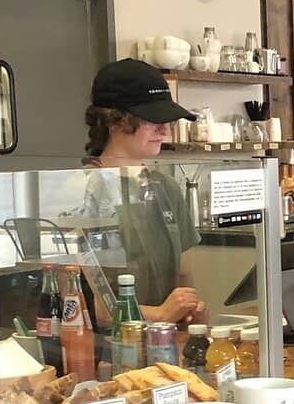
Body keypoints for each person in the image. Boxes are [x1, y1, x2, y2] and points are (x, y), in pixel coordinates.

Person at [82, 58, 207, 325]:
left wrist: (194, 312)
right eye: (152, 119)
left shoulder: (166, 188)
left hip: (168, 342)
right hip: (109, 352)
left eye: (167, 120)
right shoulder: (85, 191)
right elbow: (94, 309)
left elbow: (184, 279)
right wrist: (160, 314)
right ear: (114, 121)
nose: (164, 129)